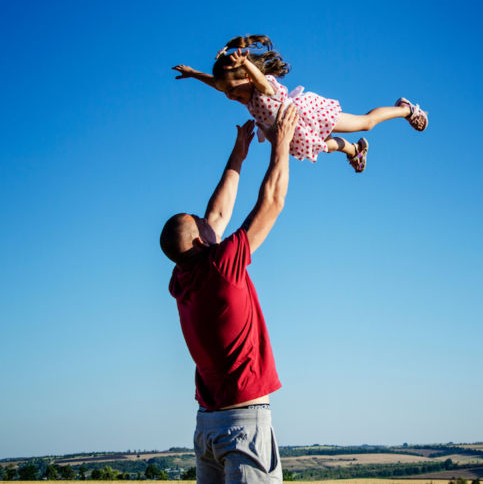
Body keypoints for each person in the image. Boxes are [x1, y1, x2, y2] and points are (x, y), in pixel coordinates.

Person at [159, 104, 300, 483]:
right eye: (202, 226)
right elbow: (271, 202)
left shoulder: (181, 279)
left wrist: (238, 153)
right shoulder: (222, 266)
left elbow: (216, 216)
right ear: (201, 242)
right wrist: (281, 144)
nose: (210, 223)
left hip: (208, 427)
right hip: (242, 425)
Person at [172, 34, 428, 173]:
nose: (228, 96)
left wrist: (246, 62)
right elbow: (217, 83)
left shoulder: (263, 89)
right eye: (225, 92)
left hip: (308, 116)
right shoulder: (242, 91)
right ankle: (354, 151)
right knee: (324, 148)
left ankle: (406, 109)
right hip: (294, 133)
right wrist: (194, 73)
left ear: (247, 77)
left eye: (231, 90)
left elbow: (259, 80)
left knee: (366, 124)